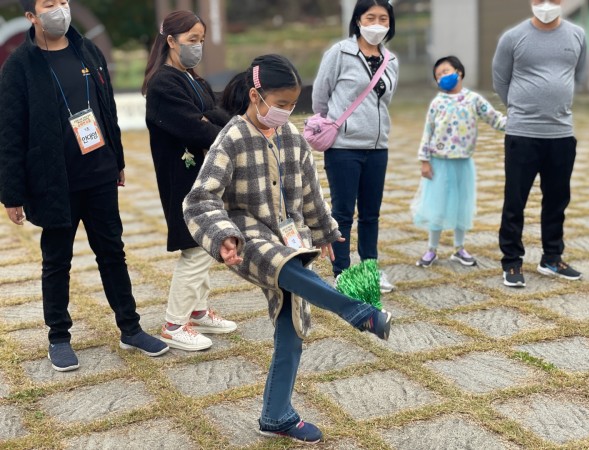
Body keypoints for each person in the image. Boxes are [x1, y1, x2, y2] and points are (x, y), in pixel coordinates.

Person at [183, 54, 392, 444]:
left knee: (291, 326)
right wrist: (222, 236)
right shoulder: (231, 137)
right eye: (279, 105)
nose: (285, 112)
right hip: (244, 235)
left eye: (292, 106)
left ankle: (277, 415)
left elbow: (311, 192)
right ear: (255, 95)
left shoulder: (293, 137)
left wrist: (326, 232)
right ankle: (358, 313)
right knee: (286, 265)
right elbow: (200, 199)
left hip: (289, 237)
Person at [0, 0, 169, 372]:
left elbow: (106, 108)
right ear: (32, 15)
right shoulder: (18, 66)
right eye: (49, 4)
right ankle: (58, 336)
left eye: (63, 1)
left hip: (99, 174)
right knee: (56, 262)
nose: (59, 9)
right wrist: (11, 194)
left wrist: (118, 161)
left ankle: (131, 327)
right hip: (53, 182)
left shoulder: (87, 50)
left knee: (113, 252)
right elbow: (10, 133)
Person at [142, 10, 236, 352]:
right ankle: (173, 323)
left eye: (200, 40)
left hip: (202, 176)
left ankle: (197, 310)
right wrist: (210, 123)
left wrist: (208, 118)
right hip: (181, 178)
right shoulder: (163, 83)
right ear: (170, 41)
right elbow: (195, 127)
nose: (197, 47)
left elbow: (216, 115)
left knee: (205, 244)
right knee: (195, 249)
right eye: (191, 40)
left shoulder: (194, 79)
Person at [492, 0, 586, 287]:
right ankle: (511, 263)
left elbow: (578, 77)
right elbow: (500, 79)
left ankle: (552, 258)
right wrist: (522, 110)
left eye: (553, 0)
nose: (546, 5)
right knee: (515, 200)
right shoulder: (513, 37)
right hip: (523, 134)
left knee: (557, 200)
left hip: (561, 134)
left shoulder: (577, 34)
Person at [311, 0, 399, 294]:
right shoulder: (340, 53)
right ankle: (342, 273)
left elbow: (384, 102)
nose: (377, 23)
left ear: (390, 23)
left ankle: (369, 269)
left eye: (383, 18)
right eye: (370, 17)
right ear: (358, 20)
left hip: (378, 147)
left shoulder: (391, 61)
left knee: (371, 213)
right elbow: (320, 96)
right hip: (344, 148)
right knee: (343, 213)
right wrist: (334, 125)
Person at [412, 56, 506, 267]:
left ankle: (459, 248)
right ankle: (432, 249)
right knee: (437, 205)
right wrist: (424, 161)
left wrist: (515, 123)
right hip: (439, 162)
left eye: (446, 71)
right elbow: (428, 131)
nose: (442, 77)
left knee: (462, 204)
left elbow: (493, 117)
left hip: (463, 162)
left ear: (459, 72)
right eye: (438, 75)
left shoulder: (473, 99)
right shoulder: (437, 103)